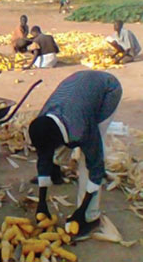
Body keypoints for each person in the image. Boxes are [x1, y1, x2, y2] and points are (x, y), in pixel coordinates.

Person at [29, 71, 122, 237]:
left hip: (108, 89)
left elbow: (96, 167)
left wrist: (82, 209)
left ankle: (91, 217)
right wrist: (41, 202)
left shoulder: (82, 130)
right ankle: (55, 171)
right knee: (55, 141)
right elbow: (43, 154)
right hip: (77, 87)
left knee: (88, 158)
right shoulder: (42, 120)